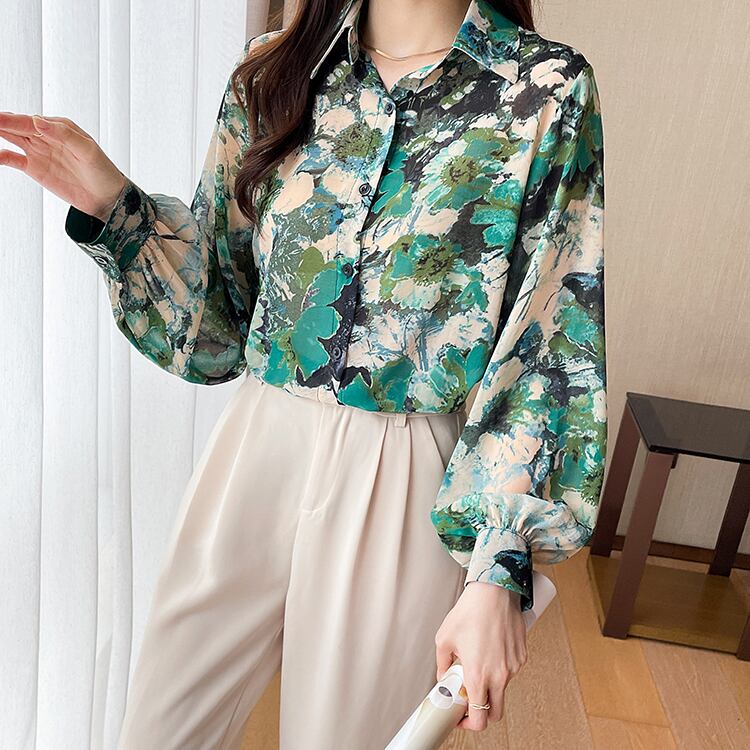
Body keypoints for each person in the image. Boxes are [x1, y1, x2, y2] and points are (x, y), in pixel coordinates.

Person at [0, 0, 607, 747]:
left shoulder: (544, 90)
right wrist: (111, 204)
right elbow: (218, 329)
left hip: (403, 469)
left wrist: (497, 570)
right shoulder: (272, 73)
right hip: (257, 443)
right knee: (158, 730)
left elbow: (549, 349)